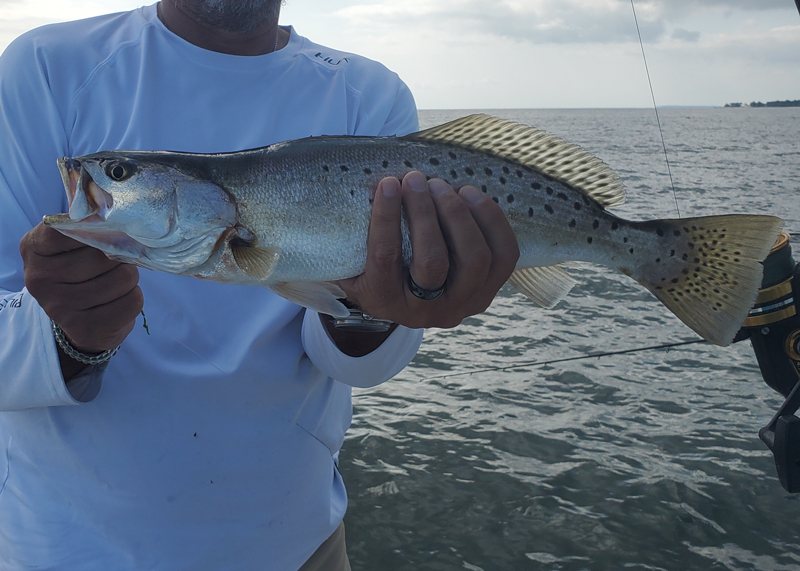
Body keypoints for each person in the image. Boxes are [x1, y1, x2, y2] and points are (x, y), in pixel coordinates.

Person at [0, 1, 519, 569]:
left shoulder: (368, 94)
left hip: (298, 547)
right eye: (118, 173)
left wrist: (371, 312)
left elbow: (359, 367)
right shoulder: (46, 67)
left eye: (117, 173)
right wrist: (66, 337)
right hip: (63, 550)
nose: (102, 182)